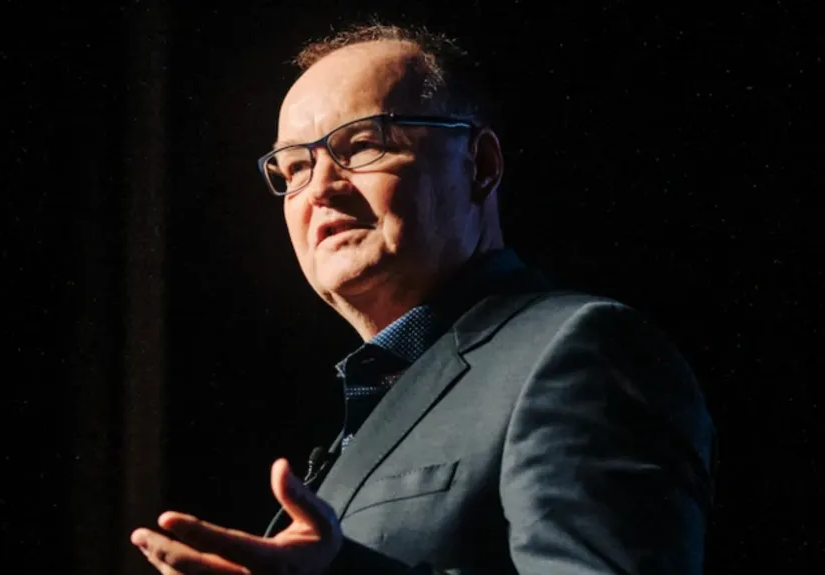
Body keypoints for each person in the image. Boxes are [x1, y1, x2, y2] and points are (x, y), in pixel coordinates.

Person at [131, 22, 715, 575]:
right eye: (295, 167)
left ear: (480, 165)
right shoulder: (379, 400)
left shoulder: (580, 351)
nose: (320, 190)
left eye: (363, 144)